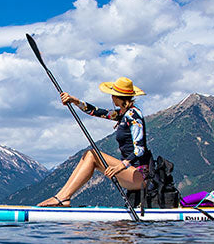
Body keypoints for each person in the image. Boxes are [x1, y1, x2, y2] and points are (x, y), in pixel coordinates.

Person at [38, 76, 149, 207]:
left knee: (92, 155)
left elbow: (140, 149)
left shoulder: (134, 115)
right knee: (89, 155)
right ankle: (62, 196)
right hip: (132, 173)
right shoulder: (123, 114)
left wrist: (120, 166)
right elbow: (95, 111)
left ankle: (62, 198)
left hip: (140, 176)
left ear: (116, 97)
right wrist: (75, 101)